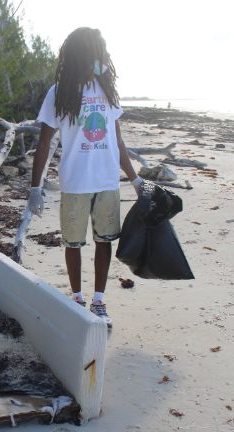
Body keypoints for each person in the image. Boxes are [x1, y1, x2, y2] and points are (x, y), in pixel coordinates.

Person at [27, 27, 143, 327]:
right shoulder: (59, 93)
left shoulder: (107, 90)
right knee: (73, 244)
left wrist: (136, 180)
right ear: (85, 54)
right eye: (99, 51)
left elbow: (118, 143)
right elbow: (44, 143)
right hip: (75, 182)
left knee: (104, 241)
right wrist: (35, 188)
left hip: (106, 182)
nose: (104, 56)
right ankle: (77, 297)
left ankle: (99, 301)